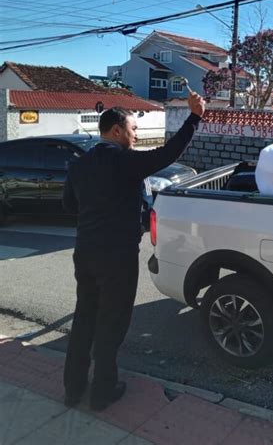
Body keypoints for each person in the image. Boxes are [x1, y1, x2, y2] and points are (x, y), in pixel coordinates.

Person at [62, 92, 205, 411]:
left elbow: (69, 205)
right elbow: (166, 154)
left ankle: (72, 389)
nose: (136, 135)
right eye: (133, 130)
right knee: (111, 322)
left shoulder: (79, 165)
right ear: (116, 131)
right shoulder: (124, 160)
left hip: (85, 252)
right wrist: (194, 117)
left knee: (85, 318)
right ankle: (103, 390)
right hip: (117, 257)